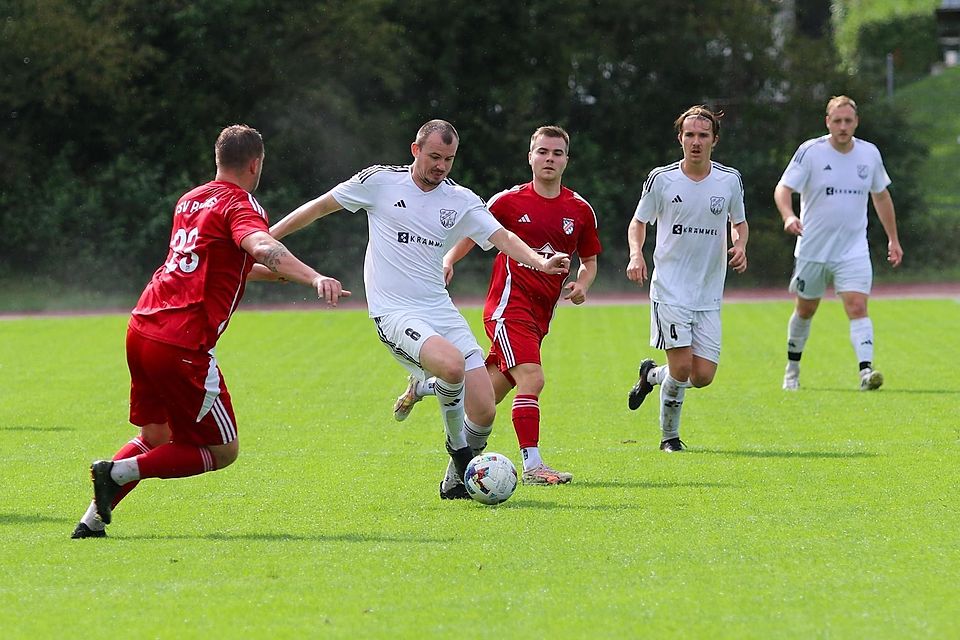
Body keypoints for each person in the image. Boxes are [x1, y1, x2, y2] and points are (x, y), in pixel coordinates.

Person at [71, 125, 349, 538]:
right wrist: (312, 277)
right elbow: (263, 247)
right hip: (181, 342)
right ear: (256, 164)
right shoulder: (241, 204)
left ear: (218, 160)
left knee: (155, 435)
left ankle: (90, 522)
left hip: (143, 326)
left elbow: (217, 264)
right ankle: (118, 471)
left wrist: (281, 277)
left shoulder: (190, 200)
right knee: (222, 450)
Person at [268, 119, 570, 499]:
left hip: (437, 307)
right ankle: (460, 453)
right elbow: (317, 208)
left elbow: (503, 237)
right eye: (434, 156)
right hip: (394, 310)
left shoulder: (460, 199)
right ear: (415, 150)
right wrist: (263, 239)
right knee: (451, 364)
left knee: (483, 408)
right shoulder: (379, 182)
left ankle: (453, 482)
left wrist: (539, 263)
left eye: (449, 159)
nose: (441, 166)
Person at [395, 125, 601, 486]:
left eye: (557, 153)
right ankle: (534, 466)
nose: (549, 159)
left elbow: (590, 260)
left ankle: (426, 389)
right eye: (542, 152)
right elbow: (475, 232)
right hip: (508, 308)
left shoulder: (580, 209)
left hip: (541, 317)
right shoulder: (508, 201)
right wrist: (449, 261)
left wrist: (582, 284)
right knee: (532, 379)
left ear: (566, 160)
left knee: (485, 395)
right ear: (530, 157)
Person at [625, 106, 748, 452]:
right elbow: (639, 222)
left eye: (703, 135)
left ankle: (650, 376)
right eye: (689, 135)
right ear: (680, 138)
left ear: (714, 140)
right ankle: (670, 437)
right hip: (670, 288)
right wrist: (636, 254)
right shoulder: (662, 179)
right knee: (680, 368)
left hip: (709, 291)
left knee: (702, 376)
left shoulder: (729, 180)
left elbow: (739, 223)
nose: (696, 142)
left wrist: (741, 245)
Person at [775, 95, 903, 392]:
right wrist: (788, 215)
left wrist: (893, 239)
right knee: (805, 310)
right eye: (837, 120)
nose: (843, 126)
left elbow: (881, 196)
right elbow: (783, 188)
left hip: (852, 249)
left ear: (856, 122)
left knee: (857, 305)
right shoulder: (811, 152)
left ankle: (865, 372)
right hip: (813, 249)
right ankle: (792, 369)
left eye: (848, 121)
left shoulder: (869, 154)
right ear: (827, 122)